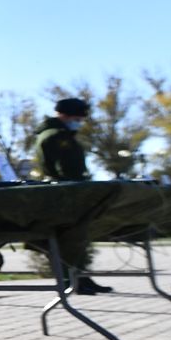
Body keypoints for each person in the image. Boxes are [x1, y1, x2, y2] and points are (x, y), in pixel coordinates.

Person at [34, 97, 112, 294]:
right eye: (77, 116)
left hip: (69, 192)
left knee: (78, 239)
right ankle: (73, 280)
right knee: (69, 240)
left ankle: (81, 278)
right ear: (64, 114)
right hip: (66, 194)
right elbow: (66, 170)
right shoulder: (56, 135)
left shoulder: (61, 134)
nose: (80, 120)